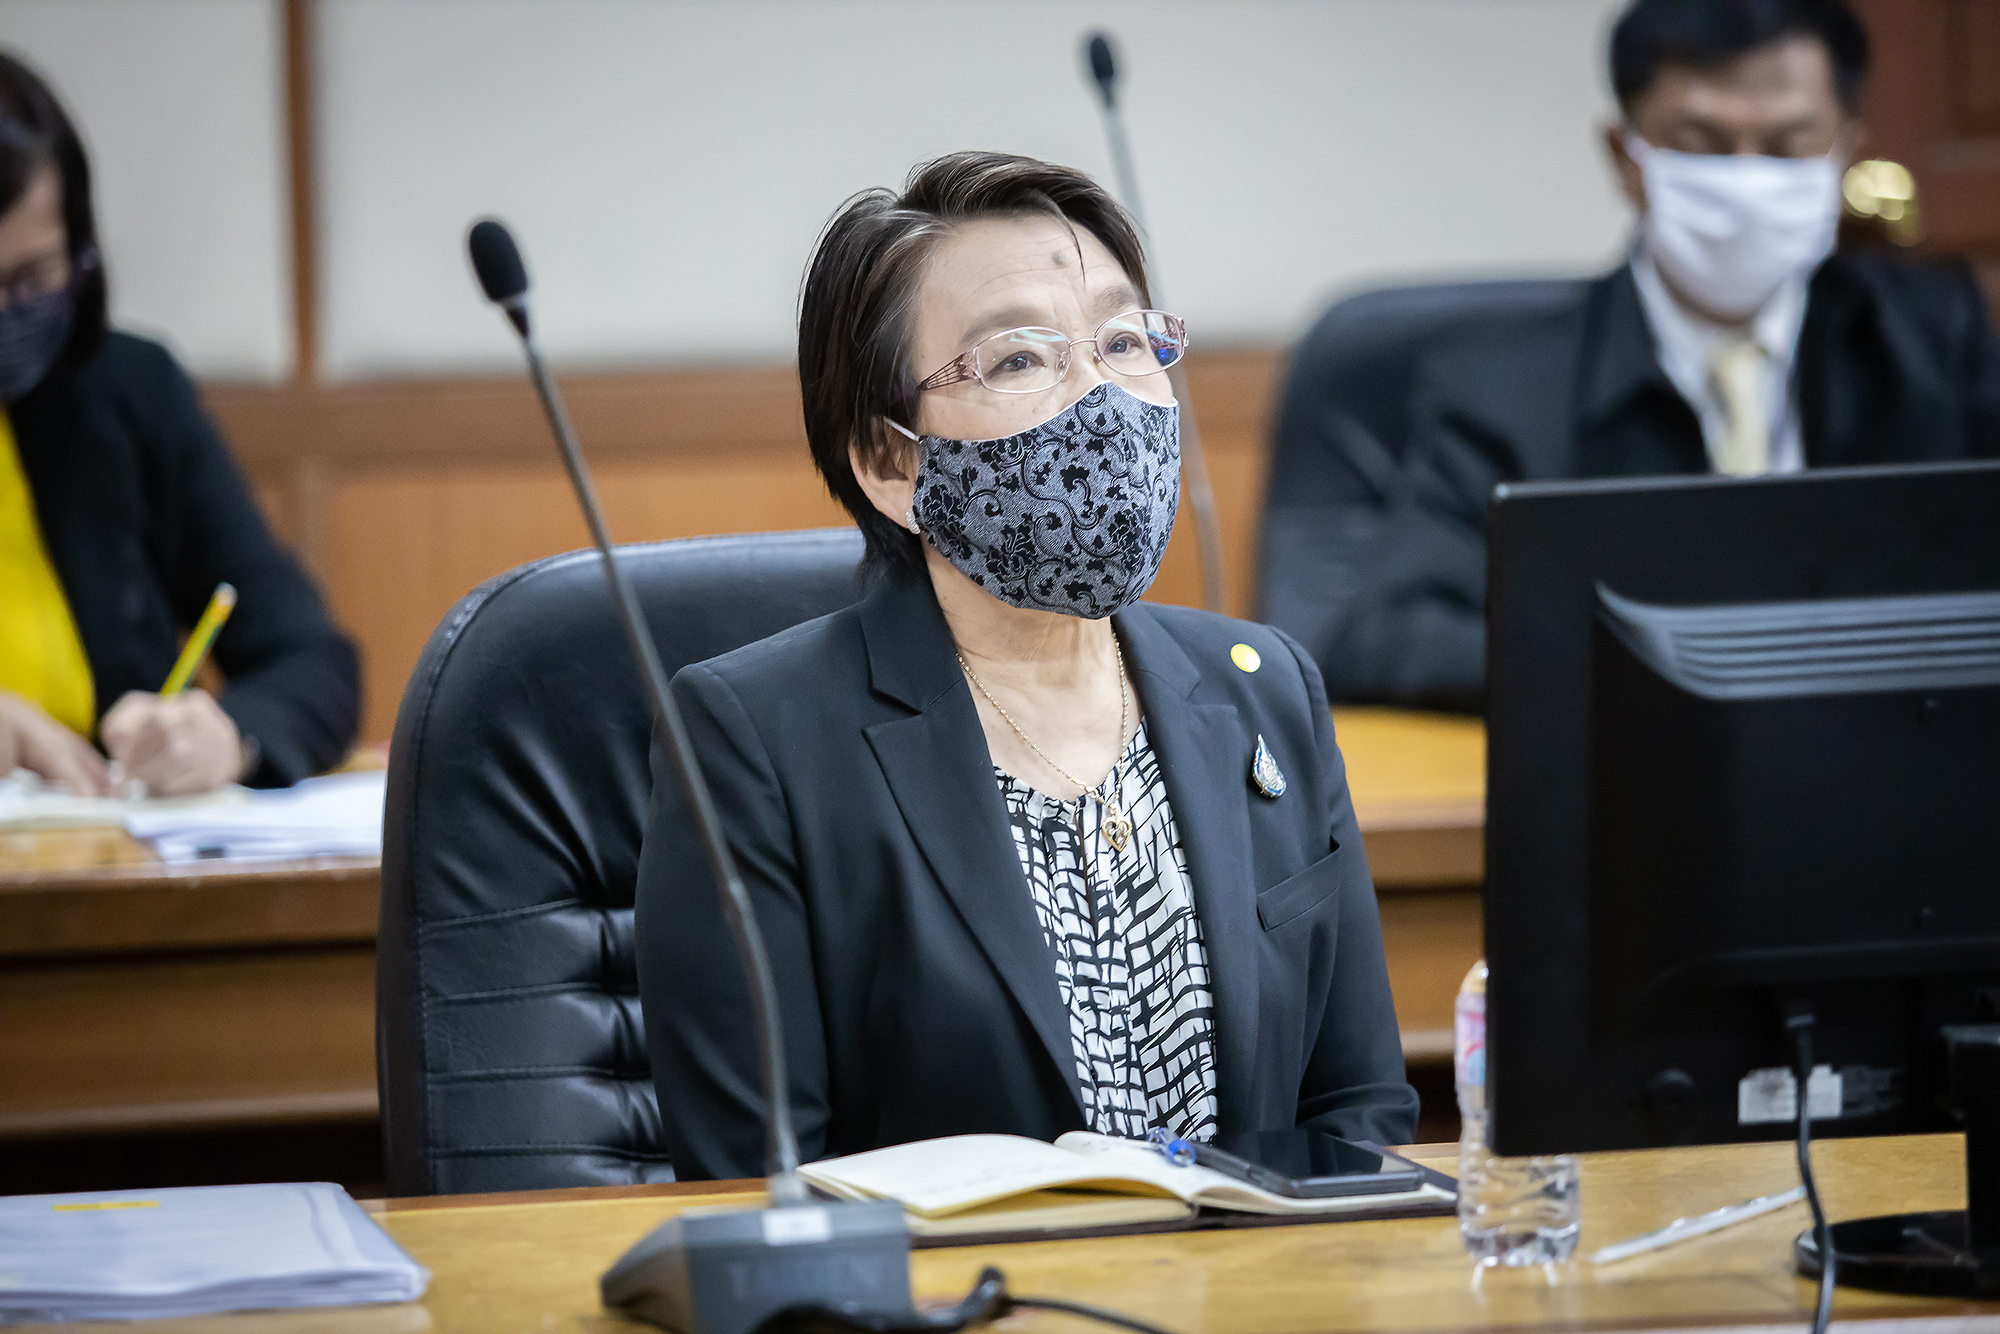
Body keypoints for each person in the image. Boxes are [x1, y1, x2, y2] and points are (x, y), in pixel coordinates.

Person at [636, 152, 1417, 1179]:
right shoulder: (757, 742)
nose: (1104, 400)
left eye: (1124, 341)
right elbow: (762, 1188)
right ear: (892, 461)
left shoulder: (1263, 688)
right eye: (1018, 360)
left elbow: (1356, 1107)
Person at [1314, 0, 2000, 711]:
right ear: (1625, 155)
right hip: (1633, 762)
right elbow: (1385, 637)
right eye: (1702, 144)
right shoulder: (1505, 390)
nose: (1746, 184)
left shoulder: (1934, 346)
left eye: (1787, 145)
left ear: (1844, 148)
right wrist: (1654, 674)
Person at [0, 51, 357, 794]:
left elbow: (312, 660)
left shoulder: (131, 390)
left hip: (109, 849)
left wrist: (228, 735)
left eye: (30, 280)